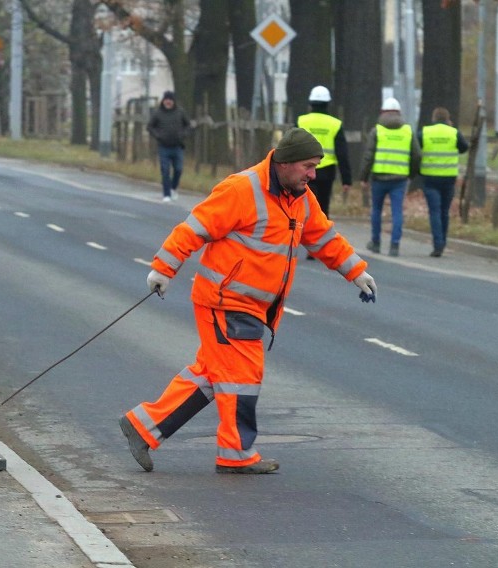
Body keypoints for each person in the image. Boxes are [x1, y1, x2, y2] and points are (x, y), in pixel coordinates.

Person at [119, 128, 378, 475]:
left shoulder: (299, 196)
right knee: (242, 377)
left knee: (214, 375)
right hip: (225, 301)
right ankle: (236, 455)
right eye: (308, 166)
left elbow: (322, 237)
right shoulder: (242, 189)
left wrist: (356, 271)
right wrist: (163, 268)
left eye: (315, 167)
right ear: (284, 164)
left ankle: (143, 427)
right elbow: (195, 227)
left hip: (253, 306)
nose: (313, 175)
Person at [358, 97, 421, 257]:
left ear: (382, 112)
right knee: (397, 212)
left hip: (379, 178)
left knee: (376, 210)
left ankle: (376, 242)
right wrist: (411, 174)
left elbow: (368, 156)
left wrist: (363, 177)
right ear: (399, 113)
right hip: (399, 179)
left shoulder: (377, 131)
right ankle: (394, 245)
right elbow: (417, 155)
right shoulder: (407, 131)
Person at [297, 86, 352, 260]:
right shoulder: (335, 124)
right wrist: (346, 179)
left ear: (311, 103)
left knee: (301, 207)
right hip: (326, 172)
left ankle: (297, 239)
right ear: (328, 104)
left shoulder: (301, 121)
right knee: (322, 209)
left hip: (303, 170)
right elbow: (342, 153)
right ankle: (317, 246)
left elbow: (290, 147)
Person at [417, 107, 468, 257]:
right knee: (444, 212)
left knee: (434, 211)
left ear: (434, 118)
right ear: (447, 118)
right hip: (448, 178)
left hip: (430, 178)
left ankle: (438, 243)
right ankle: (443, 242)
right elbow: (464, 148)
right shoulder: (454, 133)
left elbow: (416, 149)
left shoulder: (425, 133)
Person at [147, 91, 191, 202]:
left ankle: (173, 188)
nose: (168, 102)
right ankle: (166, 194)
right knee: (165, 170)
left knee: (178, 169)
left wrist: (183, 135)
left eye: (170, 100)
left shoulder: (180, 112)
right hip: (164, 147)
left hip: (177, 146)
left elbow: (188, 125)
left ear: (173, 101)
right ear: (163, 101)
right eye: (166, 99)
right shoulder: (158, 113)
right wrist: (158, 136)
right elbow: (150, 126)